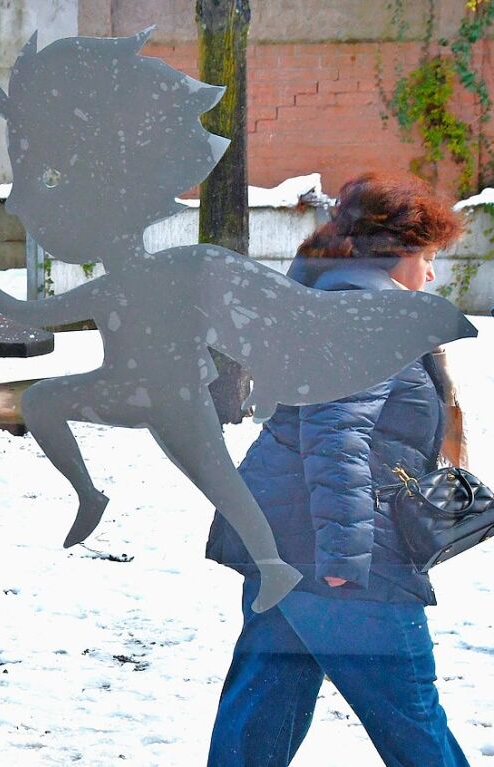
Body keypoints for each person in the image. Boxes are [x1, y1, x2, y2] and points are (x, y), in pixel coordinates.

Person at [205, 172, 471, 767]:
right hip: (342, 553)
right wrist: (346, 565)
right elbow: (335, 440)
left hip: (288, 540)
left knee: (262, 714)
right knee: (413, 719)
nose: (431, 274)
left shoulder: (330, 307)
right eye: (427, 257)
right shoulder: (364, 321)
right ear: (396, 254)